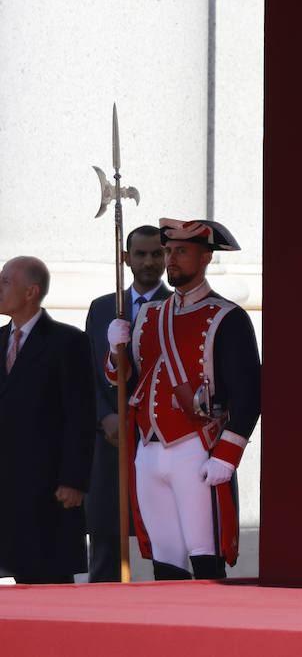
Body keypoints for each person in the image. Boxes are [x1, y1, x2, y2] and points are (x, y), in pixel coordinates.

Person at [104, 219, 261, 580]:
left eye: (181, 251)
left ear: (205, 257)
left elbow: (249, 393)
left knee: (205, 557)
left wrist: (227, 454)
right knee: (165, 560)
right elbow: (126, 381)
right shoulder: (149, 314)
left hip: (196, 446)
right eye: (169, 251)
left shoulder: (227, 317)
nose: (171, 259)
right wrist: (115, 353)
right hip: (148, 447)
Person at [83, 224, 171, 582]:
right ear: (126, 258)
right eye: (140, 254)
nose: (149, 262)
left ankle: (171, 613)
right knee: (106, 533)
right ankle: (101, 613)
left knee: (166, 537)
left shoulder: (175, 305)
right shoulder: (103, 307)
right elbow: (89, 367)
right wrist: (105, 415)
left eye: (156, 254)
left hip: (160, 439)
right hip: (111, 438)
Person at [0, 256, 95, 584]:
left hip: (49, 486)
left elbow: (80, 416)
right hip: (7, 485)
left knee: (50, 577)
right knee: (18, 575)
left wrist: (74, 480)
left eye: (6, 282)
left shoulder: (67, 342)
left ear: (31, 292)